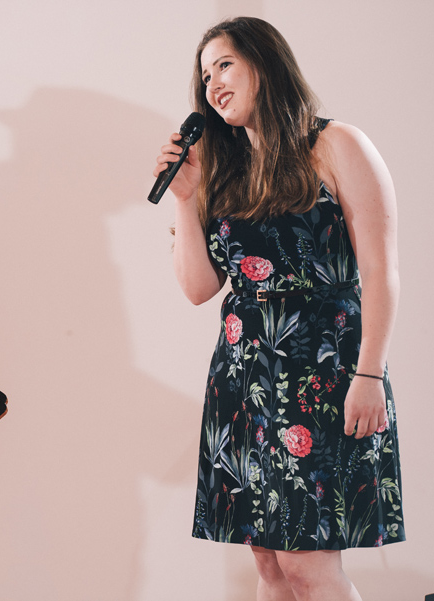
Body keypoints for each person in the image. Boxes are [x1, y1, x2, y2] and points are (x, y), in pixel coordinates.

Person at [153, 17, 404, 601]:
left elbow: (380, 273)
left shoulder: (337, 144)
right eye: (205, 72)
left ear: (264, 65)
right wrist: (186, 200)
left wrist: (369, 374)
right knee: (268, 564)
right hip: (245, 378)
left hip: (327, 368)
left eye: (225, 65)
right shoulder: (225, 170)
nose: (212, 82)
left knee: (308, 565)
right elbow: (197, 288)